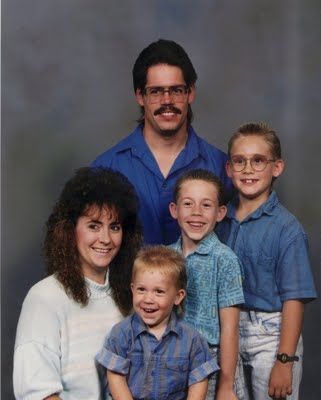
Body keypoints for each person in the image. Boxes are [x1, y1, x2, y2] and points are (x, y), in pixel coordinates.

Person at [13, 167, 142, 400]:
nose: (105, 239)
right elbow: (38, 394)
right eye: (94, 225)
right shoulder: (45, 298)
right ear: (70, 230)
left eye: (114, 227)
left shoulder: (134, 295)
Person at [92, 38, 232, 245]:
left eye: (176, 90)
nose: (167, 101)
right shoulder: (105, 168)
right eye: (156, 91)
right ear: (140, 96)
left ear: (190, 93)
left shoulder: (223, 168)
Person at [216, 122, 317, 400]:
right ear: (229, 169)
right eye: (240, 161)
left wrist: (284, 361)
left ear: (277, 168)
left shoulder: (288, 229)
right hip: (228, 332)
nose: (248, 169)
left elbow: (294, 299)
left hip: (272, 336)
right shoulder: (218, 220)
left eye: (258, 161)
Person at [96, 246, 219, 400]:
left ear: (178, 297)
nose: (148, 299)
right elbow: (115, 377)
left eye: (159, 291)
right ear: (132, 289)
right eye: (141, 289)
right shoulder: (121, 334)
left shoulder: (192, 339)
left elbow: (199, 381)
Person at [168, 169, 244, 400]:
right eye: (188, 204)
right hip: (169, 358)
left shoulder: (225, 259)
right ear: (174, 210)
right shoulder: (165, 257)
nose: (197, 213)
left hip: (208, 361)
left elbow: (230, 329)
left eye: (206, 205)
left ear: (220, 212)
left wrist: (226, 385)